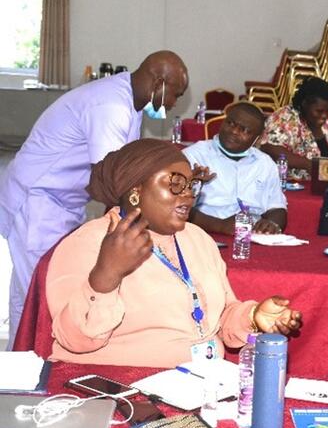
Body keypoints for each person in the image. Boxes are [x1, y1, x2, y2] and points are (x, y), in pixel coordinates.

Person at [46, 139, 302, 367]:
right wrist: (106, 276)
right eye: (176, 184)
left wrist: (253, 317)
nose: (189, 195)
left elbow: (219, 317)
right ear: (136, 192)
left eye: (191, 185)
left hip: (200, 383)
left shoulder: (197, 238)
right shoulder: (87, 243)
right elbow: (73, 340)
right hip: (118, 388)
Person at [0, 50, 188, 349]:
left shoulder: (131, 102)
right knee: (41, 293)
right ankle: (32, 367)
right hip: (39, 199)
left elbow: (130, 164)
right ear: (159, 81)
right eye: (175, 95)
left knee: (33, 291)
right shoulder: (111, 105)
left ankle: (21, 360)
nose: (174, 103)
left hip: (62, 201)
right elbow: (114, 180)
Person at [183, 101, 287, 235]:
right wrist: (220, 226)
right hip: (204, 234)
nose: (234, 131)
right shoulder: (194, 156)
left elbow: (277, 208)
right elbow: (177, 206)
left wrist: (272, 224)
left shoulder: (265, 164)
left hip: (250, 237)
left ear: (258, 139)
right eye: (230, 123)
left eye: (244, 130)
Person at [257, 76, 328, 178]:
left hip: (322, 185)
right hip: (287, 185)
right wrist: (308, 164)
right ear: (304, 104)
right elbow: (270, 147)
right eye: (319, 111)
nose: (325, 115)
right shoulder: (284, 117)